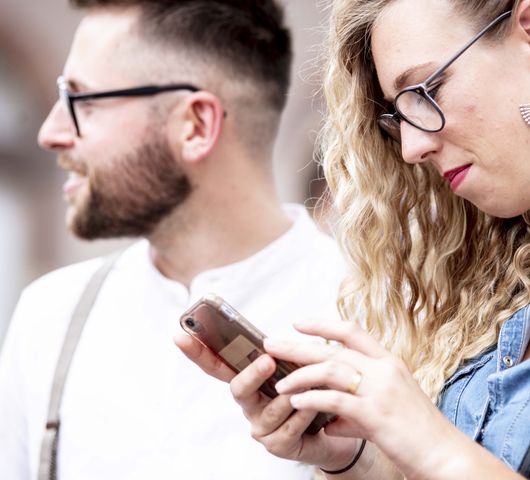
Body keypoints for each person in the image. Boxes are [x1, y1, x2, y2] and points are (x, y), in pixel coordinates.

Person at [178, 0, 530, 478]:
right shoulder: (511, 277)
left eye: (426, 91)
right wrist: (358, 456)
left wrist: (430, 442)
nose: (412, 147)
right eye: (398, 117)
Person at [0, 1, 345, 479]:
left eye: (83, 101)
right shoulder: (49, 318)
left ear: (197, 125)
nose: (50, 132)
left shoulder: (374, 310)